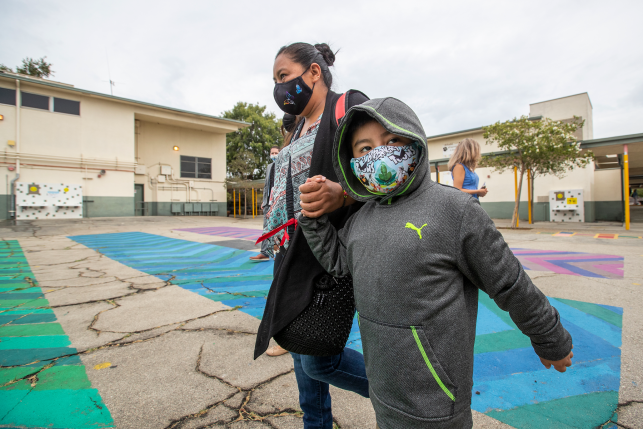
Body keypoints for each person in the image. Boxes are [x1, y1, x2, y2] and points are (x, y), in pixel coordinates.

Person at [298, 98, 574, 428]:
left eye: (391, 141)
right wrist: (313, 219)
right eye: (365, 148)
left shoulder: (454, 211)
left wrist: (550, 338)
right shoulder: (361, 219)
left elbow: (510, 283)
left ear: (414, 142)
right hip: (384, 394)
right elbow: (340, 262)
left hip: (438, 404)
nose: (379, 154)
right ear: (351, 161)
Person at [254, 42, 370, 429]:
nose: (279, 87)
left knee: (321, 360)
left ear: (314, 72)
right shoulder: (296, 125)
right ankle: (315, 424)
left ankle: (403, 393)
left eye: (284, 76)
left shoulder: (348, 107)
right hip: (289, 253)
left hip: (326, 254)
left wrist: (343, 193)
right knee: (299, 350)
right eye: (275, 80)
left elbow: (382, 168)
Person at [249, 144, 282, 262]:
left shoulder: (284, 164)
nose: (273, 155)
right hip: (268, 202)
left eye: (275, 153)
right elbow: (266, 185)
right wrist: (264, 201)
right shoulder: (269, 167)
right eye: (272, 153)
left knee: (279, 227)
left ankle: (280, 252)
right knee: (266, 228)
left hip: (278, 201)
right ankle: (264, 253)